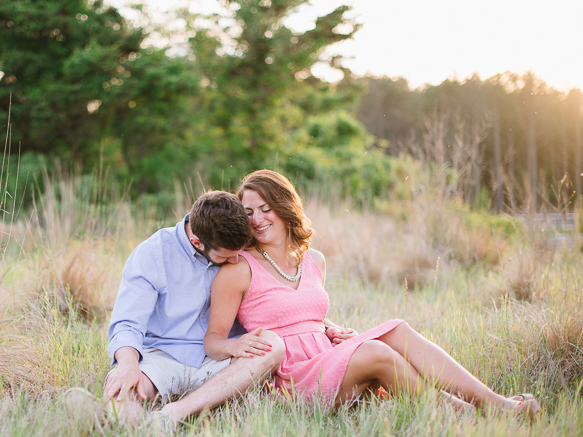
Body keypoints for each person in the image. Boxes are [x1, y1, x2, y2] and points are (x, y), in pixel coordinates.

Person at [204, 169, 540, 418]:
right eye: (248, 213)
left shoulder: (314, 260)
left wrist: (332, 328)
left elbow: (305, 314)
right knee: (376, 352)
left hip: (326, 357)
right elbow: (214, 340)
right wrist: (235, 345)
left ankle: (494, 403)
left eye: (265, 208)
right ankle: (461, 414)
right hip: (289, 376)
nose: (258, 219)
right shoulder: (238, 269)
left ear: (285, 207)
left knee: (397, 328)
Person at [99, 190, 286, 429]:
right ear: (197, 242)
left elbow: (283, 298)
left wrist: (325, 326)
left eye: (238, 254)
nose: (234, 262)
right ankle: (120, 427)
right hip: (162, 356)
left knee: (272, 345)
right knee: (124, 387)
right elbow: (127, 324)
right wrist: (127, 364)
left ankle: (174, 414)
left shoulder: (239, 246)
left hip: (220, 359)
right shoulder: (153, 253)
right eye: (225, 256)